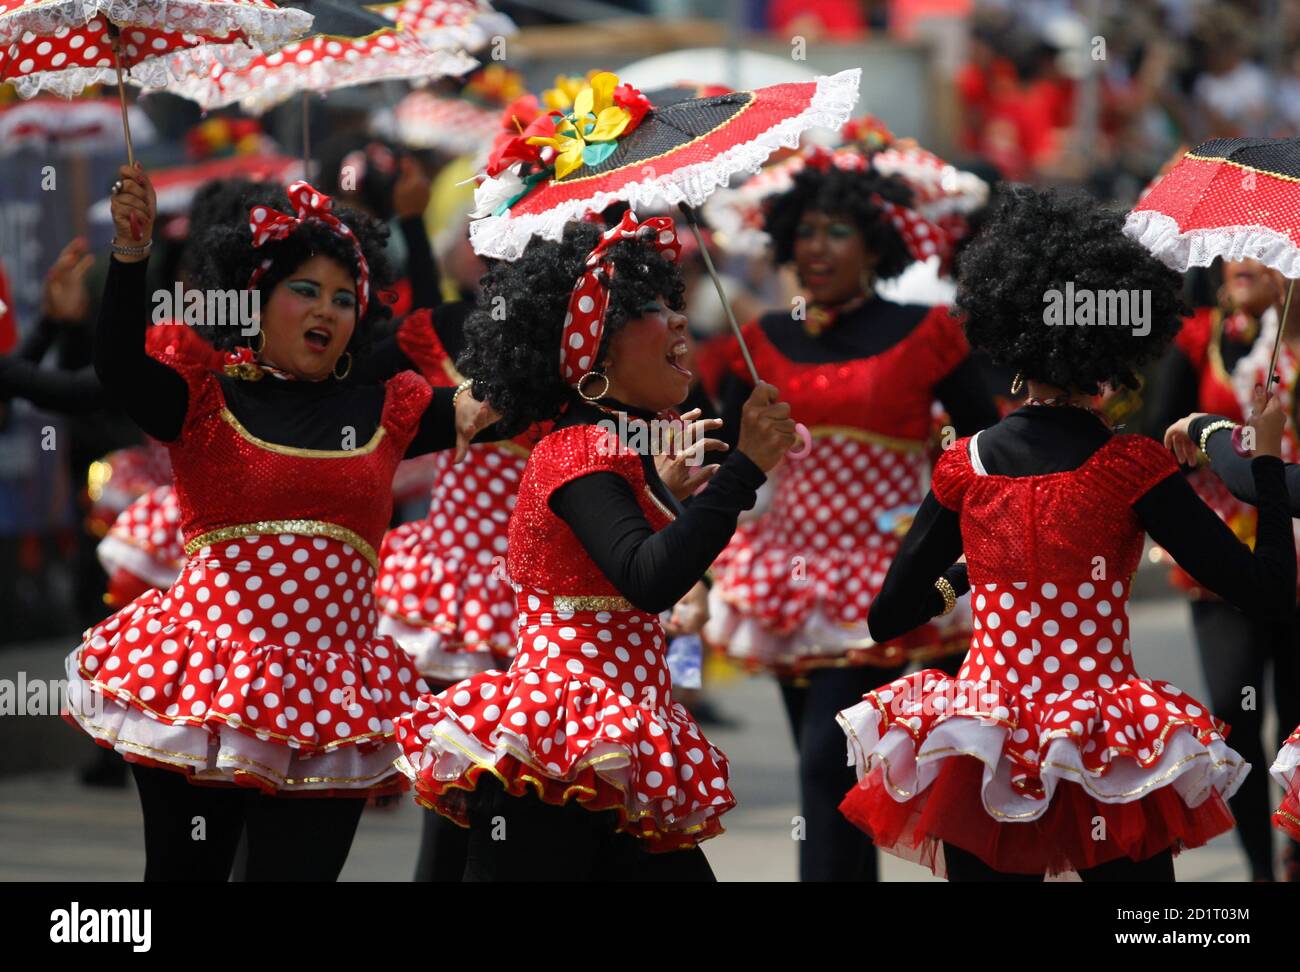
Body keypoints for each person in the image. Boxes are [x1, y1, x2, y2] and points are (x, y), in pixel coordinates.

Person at [840, 186, 1296, 881]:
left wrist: (962, 578)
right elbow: (1269, 593)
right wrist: (1263, 463)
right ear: (1116, 352)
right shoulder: (1130, 468)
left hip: (981, 738)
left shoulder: (964, 465)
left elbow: (886, 618)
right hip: (1105, 742)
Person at [64, 163, 496, 882]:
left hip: (332, 701)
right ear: (256, 301)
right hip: (206, 684)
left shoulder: (387, 409)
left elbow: (500, 389)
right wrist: (131, 252)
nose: (326, 309)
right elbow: (115, 366)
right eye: (303, 291)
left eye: (342, 297)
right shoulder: (202, 401)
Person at [394, 212, 798, 880]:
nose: (677, 320)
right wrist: (744, 471)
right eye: (649, 309)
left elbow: (639, 568)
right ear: (595, 355)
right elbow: (647, 580)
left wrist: (670, 497)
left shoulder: (612, 452)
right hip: (561, 753)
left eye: (675, 304)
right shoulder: (580, 449)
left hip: (606, 742)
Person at [703, 157, 999, 881]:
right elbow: (718, 456)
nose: (817, 248)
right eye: (804, 233)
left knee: (914, 775)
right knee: (828, 777)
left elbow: (986, 451)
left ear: (876, 245)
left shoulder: (928, 331)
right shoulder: (763, 340)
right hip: (789, 578)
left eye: (838, 232)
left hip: (900, 578)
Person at [1143, 257, 1295, 881]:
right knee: (1235, 713)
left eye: (1262, 249)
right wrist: (1197, 446)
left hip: (1296, 561)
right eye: (1235, 248)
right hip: (1223, 565)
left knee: (1296, 721)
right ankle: (1260, 870)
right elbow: (1158, 439)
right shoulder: (1196, 338)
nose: (1243, 261)